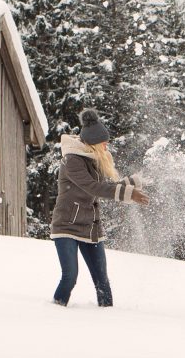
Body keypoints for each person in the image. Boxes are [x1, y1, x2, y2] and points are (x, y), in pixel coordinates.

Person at [50, 108, 149, 307]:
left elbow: (104, 187)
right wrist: (129, 193)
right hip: (66, 226)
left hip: (90, 227)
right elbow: (93, 187)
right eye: (104, 141)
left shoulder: (94, 161)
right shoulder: (72, 161)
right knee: (70, 276)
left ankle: (107, 318)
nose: (107, 144)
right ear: (93, 142)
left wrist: (133, 182)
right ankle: (55, 311)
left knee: (102, 280)